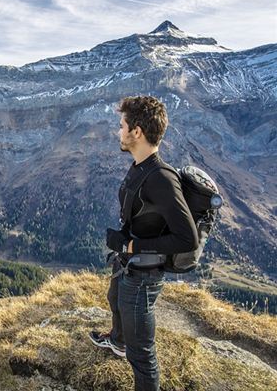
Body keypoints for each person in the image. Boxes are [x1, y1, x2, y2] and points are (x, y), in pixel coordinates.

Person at [89, 95, 199, 391]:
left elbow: (187, 238)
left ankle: (130, 351)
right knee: (114, 300)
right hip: (129, 264)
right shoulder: (141, 166)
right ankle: (118, 341)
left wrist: (134, 247)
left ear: (136, 132)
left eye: (121, 125)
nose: (118, 131)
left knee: (143, 355)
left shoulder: (161, 178)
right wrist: (125, 244)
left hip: (144, 276)